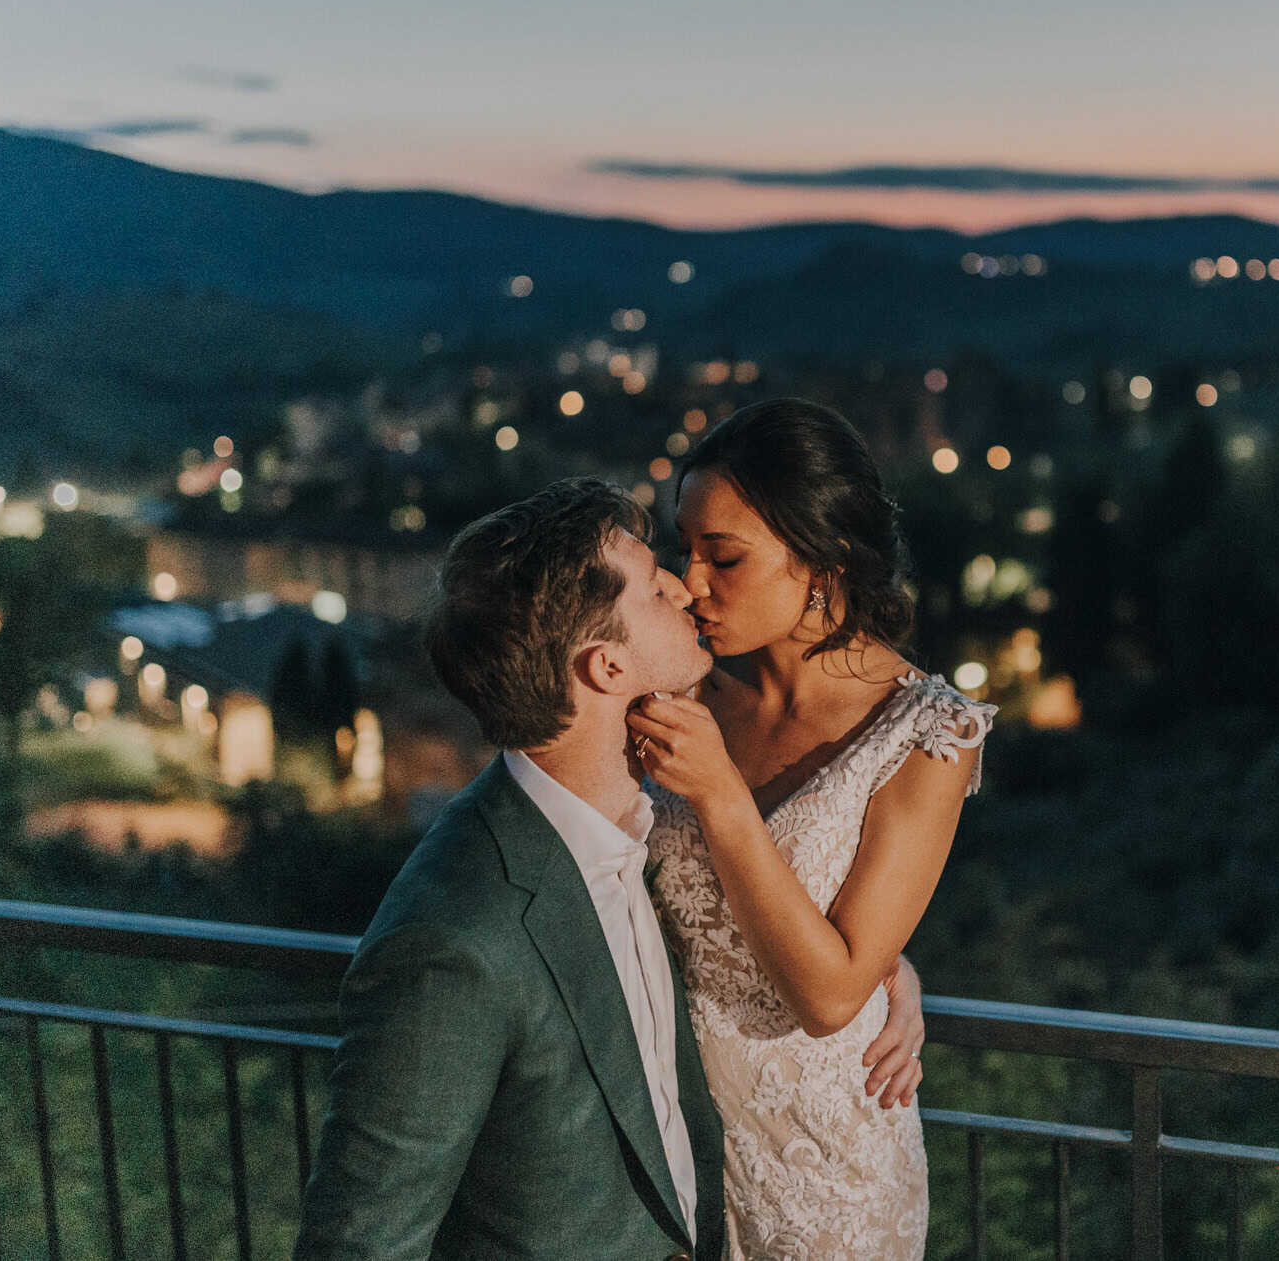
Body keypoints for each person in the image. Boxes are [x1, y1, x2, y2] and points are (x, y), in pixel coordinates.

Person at [295, 478, 923, 1261]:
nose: (686, 588)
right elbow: (359, 1244)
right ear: (607, 667)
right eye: (656, 588)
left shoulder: (644, 833)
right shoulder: (450, 940)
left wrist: (887, 972)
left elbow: (753, 937)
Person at [628, 399, 996, 1260]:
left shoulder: (927, 734)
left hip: (828, 1186)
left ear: (823, 562)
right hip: (674, 1160)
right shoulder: (678, 687)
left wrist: (721, 793)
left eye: (724, 557)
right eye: (685, 550)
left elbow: (830, 997)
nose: (692, 581)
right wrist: (890, 965)